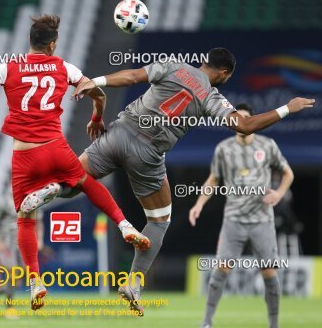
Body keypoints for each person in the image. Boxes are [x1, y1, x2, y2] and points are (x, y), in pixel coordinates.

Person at [29, 47, 314, 315]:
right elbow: (243, 125)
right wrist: (287, 108)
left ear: (204, 62)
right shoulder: (212, 97)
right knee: (159, 221)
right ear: (224, 74)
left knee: (73, 181)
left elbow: (132, 76)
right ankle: (133, 282)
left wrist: (95, 81)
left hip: (120, 132)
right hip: (148, 154)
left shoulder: (174, 65)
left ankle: (53, 188)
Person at [0, 14, 149, 310]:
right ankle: (124, 225)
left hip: (24, 156)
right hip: (56, 148)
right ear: (52, 44)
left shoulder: (5, 67)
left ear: (30, 42)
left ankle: (36, 281)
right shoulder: (64, 67)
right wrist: (97, 117)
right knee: (85, 183)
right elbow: (98, 94)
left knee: (25, 215)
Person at [189, 103, 294, 328]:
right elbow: (213, 179)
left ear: (253, 122)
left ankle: (274, 324)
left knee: (269, 273)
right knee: (221, 270)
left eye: (246, 119)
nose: (241, 124)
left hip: (262, 220)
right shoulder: (224, 149)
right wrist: (198, 204)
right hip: (233, 220)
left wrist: (279, 194)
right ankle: (206, 322)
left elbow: (288, 173)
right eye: (237, 120)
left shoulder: (267, 146)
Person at [0, 189, 44, 319]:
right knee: (13, 273)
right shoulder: (4, 200)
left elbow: (38, 221)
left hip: (23, 244)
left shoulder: (34, 199)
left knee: (17, 278)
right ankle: (9, 309)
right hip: (7, 244)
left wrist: (40, 240)